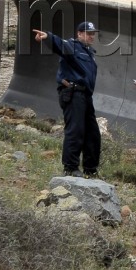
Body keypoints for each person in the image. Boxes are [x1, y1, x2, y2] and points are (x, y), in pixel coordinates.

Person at [33, 21, 100, 177]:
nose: (91, 36)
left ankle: (91, 169)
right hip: (73, 93)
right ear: (79, 34)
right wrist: (48, 36)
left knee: (93, 133)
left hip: (85, 95)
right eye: (88, 33)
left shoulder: (89, 52)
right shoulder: (72, 46)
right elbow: (59, 44)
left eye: (93, 34)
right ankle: (70, 167)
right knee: (75, 130)